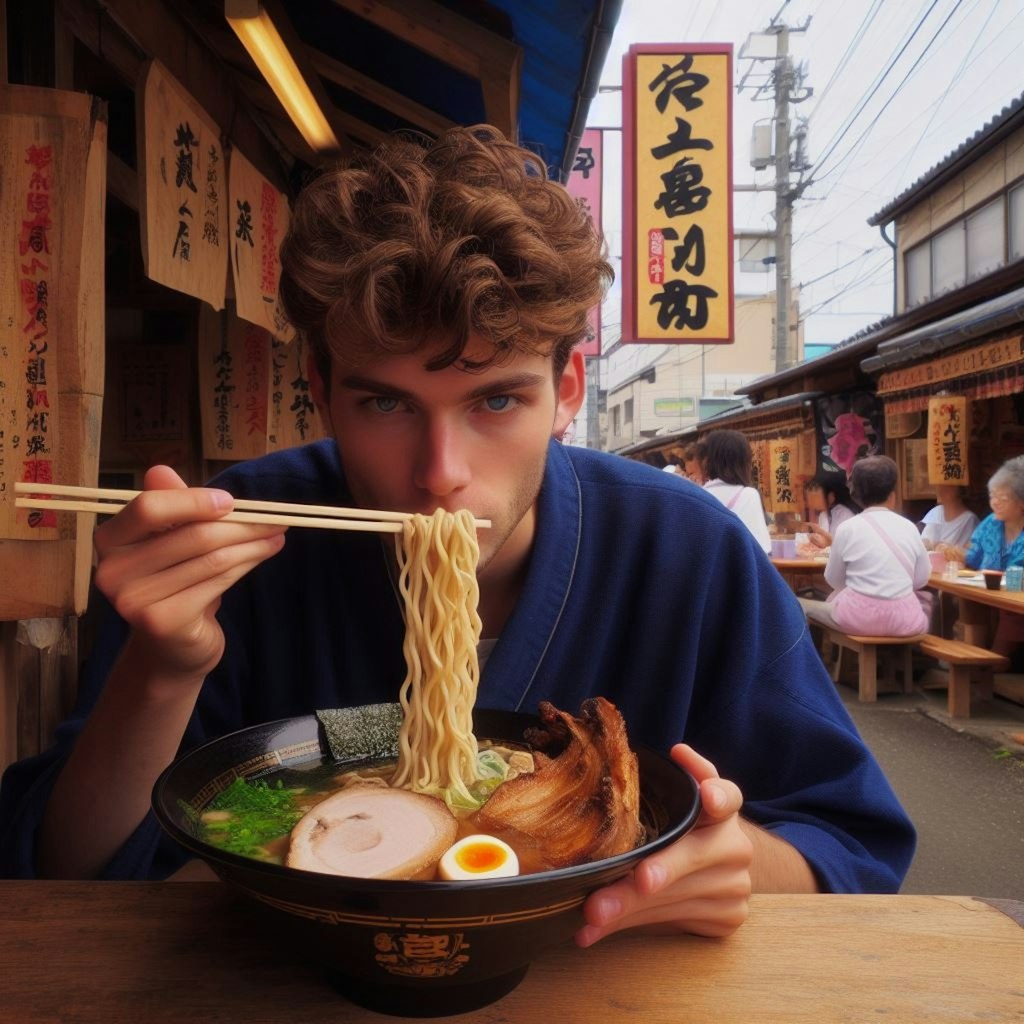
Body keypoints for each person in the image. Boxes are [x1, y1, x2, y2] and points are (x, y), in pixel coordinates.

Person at [0, 126, 914, 945]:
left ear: (566, 391)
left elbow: (851, 850)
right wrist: (163, 666)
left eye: (497, 399)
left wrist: (734, 861)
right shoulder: (236, 541)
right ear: (323, 391)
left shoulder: (685, 549)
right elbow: (64, 874)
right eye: (387, 403)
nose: (439, 472)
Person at [799, 456, 931, 637]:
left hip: (857, 619)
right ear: (893, 494)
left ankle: (821, 662)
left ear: (857, 496)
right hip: (905, 620)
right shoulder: (909, 527)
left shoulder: (848, 528)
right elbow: (922, 579)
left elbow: (833, 580)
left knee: (800, 604)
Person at [941, 457, 1024, 659]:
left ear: (1021, 503)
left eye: (1002, 498)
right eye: (992, 496)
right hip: (993, 595)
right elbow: (974, 555)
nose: (994, 502)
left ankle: (995, 661)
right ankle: (972, 658)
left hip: (1016, 601)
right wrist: (958, 554)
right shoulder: (992, 523)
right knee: (966, 599)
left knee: (1010, 612)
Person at [701, 430, 773, 554]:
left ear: (709, 460)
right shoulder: (748, 495)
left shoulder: (698, 494)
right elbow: (762, 548)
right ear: (744, 461)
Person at [804, 472, 859, 549]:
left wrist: (827, 544)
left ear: (830, 498)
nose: (811, 503)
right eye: (808, 498)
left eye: (816, 497)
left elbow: (842, 547)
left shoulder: (845, 516)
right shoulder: (824, 515)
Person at [920, 485, 978, 553]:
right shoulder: (935, 512)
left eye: (947, 488)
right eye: (939, 487)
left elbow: (967, 554)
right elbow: (922, 545)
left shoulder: (969, 519)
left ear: (959, 491)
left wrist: (945, 549)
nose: (940, 491)